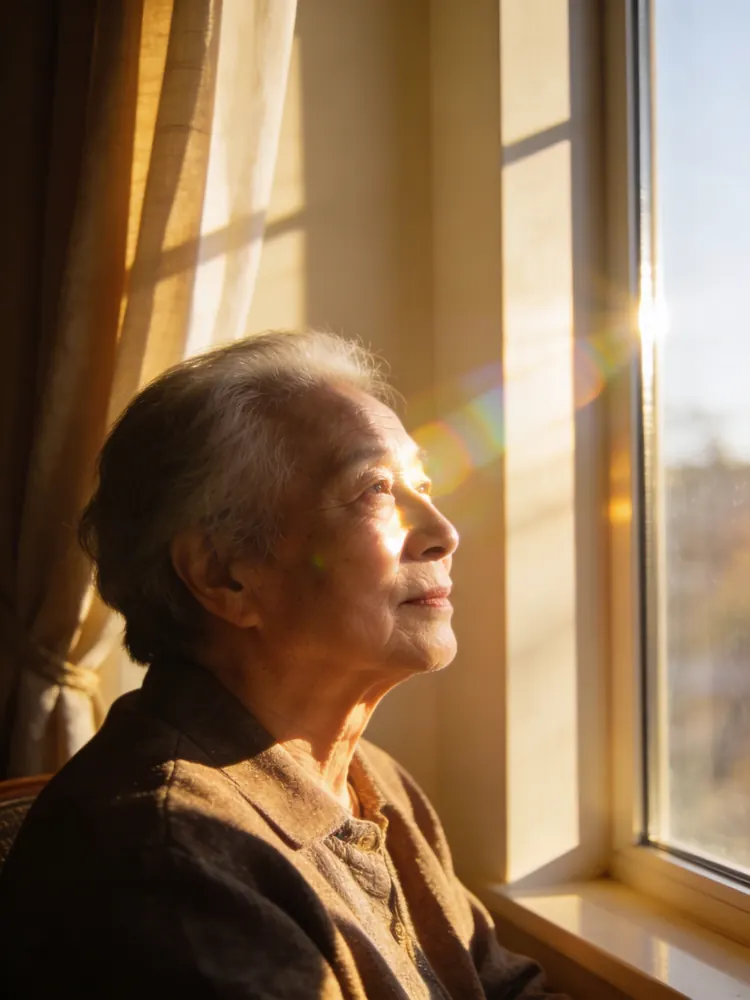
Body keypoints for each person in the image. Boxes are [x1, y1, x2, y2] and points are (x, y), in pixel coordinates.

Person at [0, 331, 567, 998]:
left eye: (424, 483)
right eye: (375, 491)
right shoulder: (169, 863)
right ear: (224, 575)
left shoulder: (369, 778)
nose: (445, 530)